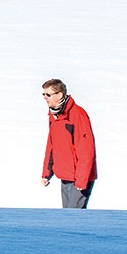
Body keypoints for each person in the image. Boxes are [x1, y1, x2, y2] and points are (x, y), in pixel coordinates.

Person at [41, 79, 97, 208]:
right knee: (67, 217)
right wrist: (46, 173)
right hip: (65, 176)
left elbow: (86, 150)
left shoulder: (77, 115)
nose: (45, 98)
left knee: (74, 219)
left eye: (48, 95)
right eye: (43, 94)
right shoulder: (55, 116)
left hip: (79, 179)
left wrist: (81, 181)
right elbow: (51, 146)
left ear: (59, 95)